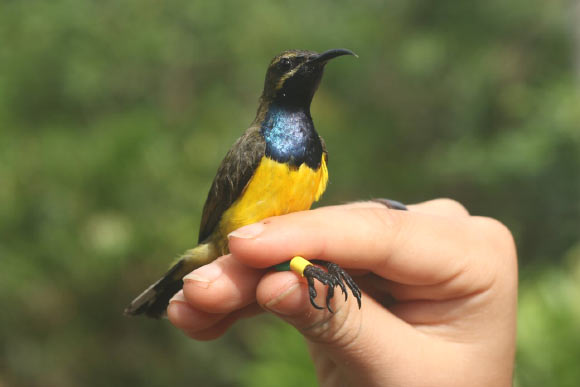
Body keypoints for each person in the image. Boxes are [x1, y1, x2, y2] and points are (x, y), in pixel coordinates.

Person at [167, 199, 518, 386]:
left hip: (270, 252)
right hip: (235, 242)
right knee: (269, 260)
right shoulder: (256, 146)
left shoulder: (315, 155)